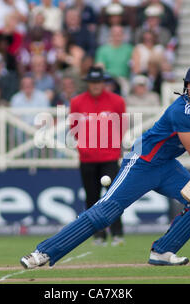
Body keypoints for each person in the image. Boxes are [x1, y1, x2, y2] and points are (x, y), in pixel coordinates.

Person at [20, 65, 190, 268]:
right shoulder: (181, 109)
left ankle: (162, 252)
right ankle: (44, 253)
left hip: (166, 166)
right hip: (142, 162)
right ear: (186, 86)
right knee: (105, 213)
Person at [68, 66, 126, 246]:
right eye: (92, 82)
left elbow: (121, 126)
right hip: (87, 158)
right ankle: (98, 235)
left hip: (109, 156)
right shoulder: (77, 102)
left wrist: (111, 146)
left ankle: (117, 233)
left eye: (98, 82)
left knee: (113, 197)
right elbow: (74, 128)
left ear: (104, 83)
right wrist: (87, 146)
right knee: (91, 198)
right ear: (88, 84)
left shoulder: (116, 101)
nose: (95, 86)